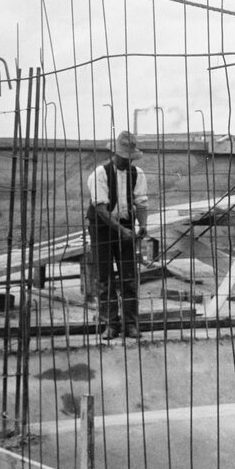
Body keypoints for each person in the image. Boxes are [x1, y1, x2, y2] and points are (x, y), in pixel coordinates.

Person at [86, 131, 149, 339]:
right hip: (102, 228)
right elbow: (101, 210)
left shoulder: (137, 174)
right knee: (105, 278)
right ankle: (110, 324)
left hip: (126, 225)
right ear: (114, 153)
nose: (126, 161)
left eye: (130, 157)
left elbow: (141, 202)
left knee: (129, 277)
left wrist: (142, 225)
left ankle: (130, 324)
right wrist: (121, 230)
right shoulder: (99, 174)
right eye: (123, 157)